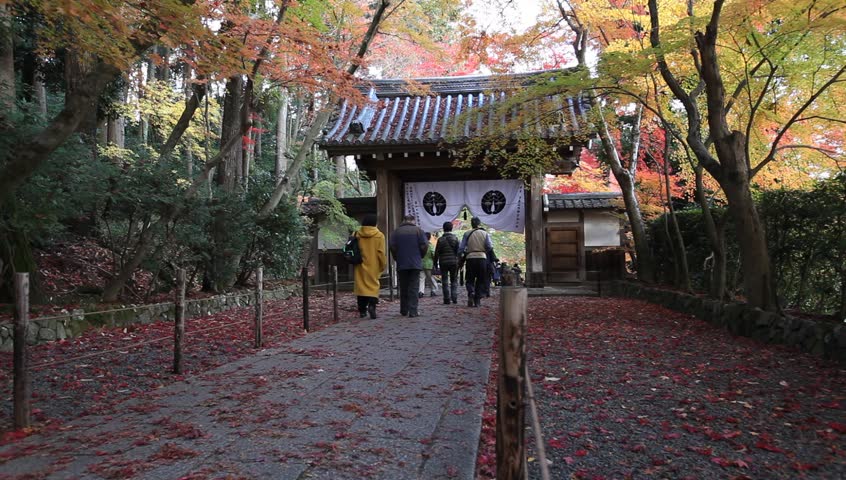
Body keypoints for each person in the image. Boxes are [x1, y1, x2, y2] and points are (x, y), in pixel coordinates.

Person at [390, 215, 428, 317]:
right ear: (413, 221)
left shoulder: (396, 232)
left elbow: (392, 247)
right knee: (414, 287)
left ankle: (403, 309)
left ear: (404, 220)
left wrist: (397, 257)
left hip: (402, 263)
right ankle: (413, 311)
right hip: (415, 263)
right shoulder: (418, 231)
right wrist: (420, 256)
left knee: (403, 286)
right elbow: (424, 245)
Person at [353, 214, 387, 319]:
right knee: (373, 286)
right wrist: (382, 265)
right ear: (375, 223)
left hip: (359, 264)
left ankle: (362, 310)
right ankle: (372, 306)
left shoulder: (356, 234)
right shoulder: (379, 235)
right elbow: (381, 253)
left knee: (361, 287)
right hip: (373, 265)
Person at [459, 217, 494, 307]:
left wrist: (461, 256)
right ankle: (477, 300)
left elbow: (461, 248)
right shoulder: (485, 233)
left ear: (471, 224)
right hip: (482, 258)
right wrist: (483, 251)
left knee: (469, 279)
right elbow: (489, 246)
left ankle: (471, 292)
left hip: (470, 258)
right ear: (479, 223)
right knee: (480, 279)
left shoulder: (466, 233)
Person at [434, 221, 460, 305]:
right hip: (453, 262)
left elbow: (437, 252)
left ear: (443, 228)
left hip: (443, 262)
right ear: (451, 228)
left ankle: (446, 299)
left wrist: (435, 263)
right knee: (454, 280)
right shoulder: (455, 238)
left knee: (444, 280)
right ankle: (454, 297)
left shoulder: (440, 239)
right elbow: (458, 252)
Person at [419, 232, 439, 297]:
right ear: (429, 238)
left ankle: (421, 291)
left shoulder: (420, 245)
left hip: (420, 263)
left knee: (421, 278)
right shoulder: (430, 245)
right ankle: (433, 290)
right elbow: (433, 254)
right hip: (429, 264)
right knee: (430, 278)